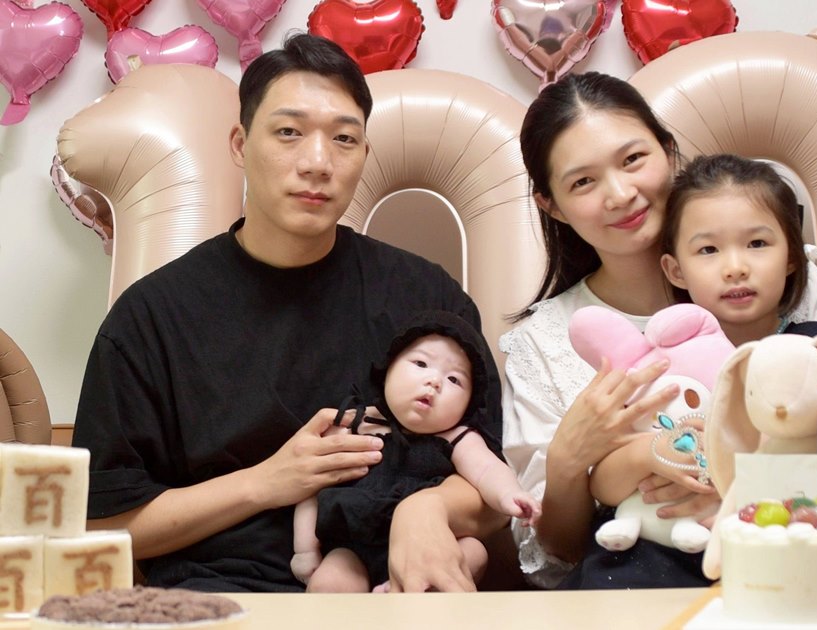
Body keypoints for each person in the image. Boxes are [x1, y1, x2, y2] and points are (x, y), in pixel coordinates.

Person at [72, 33, 507, 593]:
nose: (318, 163)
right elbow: (101, 524)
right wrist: (267, 482)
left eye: (344, 139)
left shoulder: (427, 297)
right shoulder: (153, 315)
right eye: (288, 132)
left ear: (364, 154)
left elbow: (492, 491)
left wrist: (425, 509)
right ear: (239, 143)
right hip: (222, 596)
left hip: (393, 594)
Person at [500, 71, 720, 590]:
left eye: (633, 159)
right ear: (551, 204)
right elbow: (558, 555)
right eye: (583, 182)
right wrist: (569, 460)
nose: (620, 194)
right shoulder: (542, 343)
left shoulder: (764, 274)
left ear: (668, 151)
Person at [292, 311, 540, 592]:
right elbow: (311, 485)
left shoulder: (457, 437)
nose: (434, 381)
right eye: (421, 363)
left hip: (432, 547)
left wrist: (510, 494)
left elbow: (488, 470)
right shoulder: (355, 424)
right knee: (330, 582)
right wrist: (305, 549)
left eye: (454, 380)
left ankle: (401, 590)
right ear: (387, 370)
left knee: (475, 552)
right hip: (354, 545)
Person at [658, 153, 817, 416]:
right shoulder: (669, 367)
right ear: (676, 271)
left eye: (757, 244)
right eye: (709, 249)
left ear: (791, 258)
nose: (735, 269)